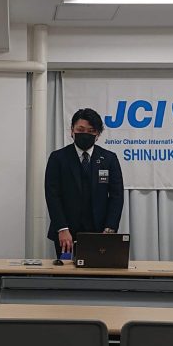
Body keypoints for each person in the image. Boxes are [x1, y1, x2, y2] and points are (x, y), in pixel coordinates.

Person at [44, 107, 124, 257]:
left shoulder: (109, 159)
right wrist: (62, 228)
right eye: (80, 130)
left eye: (91, 131)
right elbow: (52, 195)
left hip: (100, 233)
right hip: (66, 234)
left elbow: (117, 196)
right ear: (72, 131)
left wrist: (109, 229)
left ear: (97, 134)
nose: (85, 134)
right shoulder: (58, 158)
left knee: (99, 270)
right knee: (65, 270)